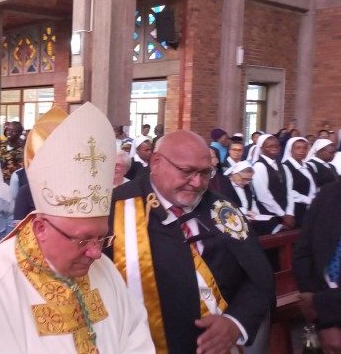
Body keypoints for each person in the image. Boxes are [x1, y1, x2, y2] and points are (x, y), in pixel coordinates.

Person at [0, 102, 155, 353]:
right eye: (83, 239)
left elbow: (136, 338)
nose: (96, 253)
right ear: (41, 228)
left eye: (102, 237)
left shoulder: (105, 271)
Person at [108, 129, 274, 353]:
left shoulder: (221, 208)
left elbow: (258, 275)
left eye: (206, 173)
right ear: (156, 162)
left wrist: (236, 322)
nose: (197, 183)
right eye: (187, 172)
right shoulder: (113, 210)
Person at [293, 181, 341, 354]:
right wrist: (319, 315)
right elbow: (303, 252)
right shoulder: (328, 193)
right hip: (322, 305)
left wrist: (322, 305)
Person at [251, 134, 292, 235]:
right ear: (261, 148)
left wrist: (290, 212)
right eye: (270, 146)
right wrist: (283, 214)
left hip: (284, 213)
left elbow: (289, 191)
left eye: (277, 146)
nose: (274, 148)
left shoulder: (283, 166)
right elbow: (263, 196)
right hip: (267, 215)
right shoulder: (259, 166)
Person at [282, 136, 315, 227]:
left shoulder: (308, 166)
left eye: (305, 148)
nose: (302, 151)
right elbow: (288, 191)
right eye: (298, 148)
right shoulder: (286, 167)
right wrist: (308, 200)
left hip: (310, 209)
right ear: (290, 150)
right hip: (296, 209)